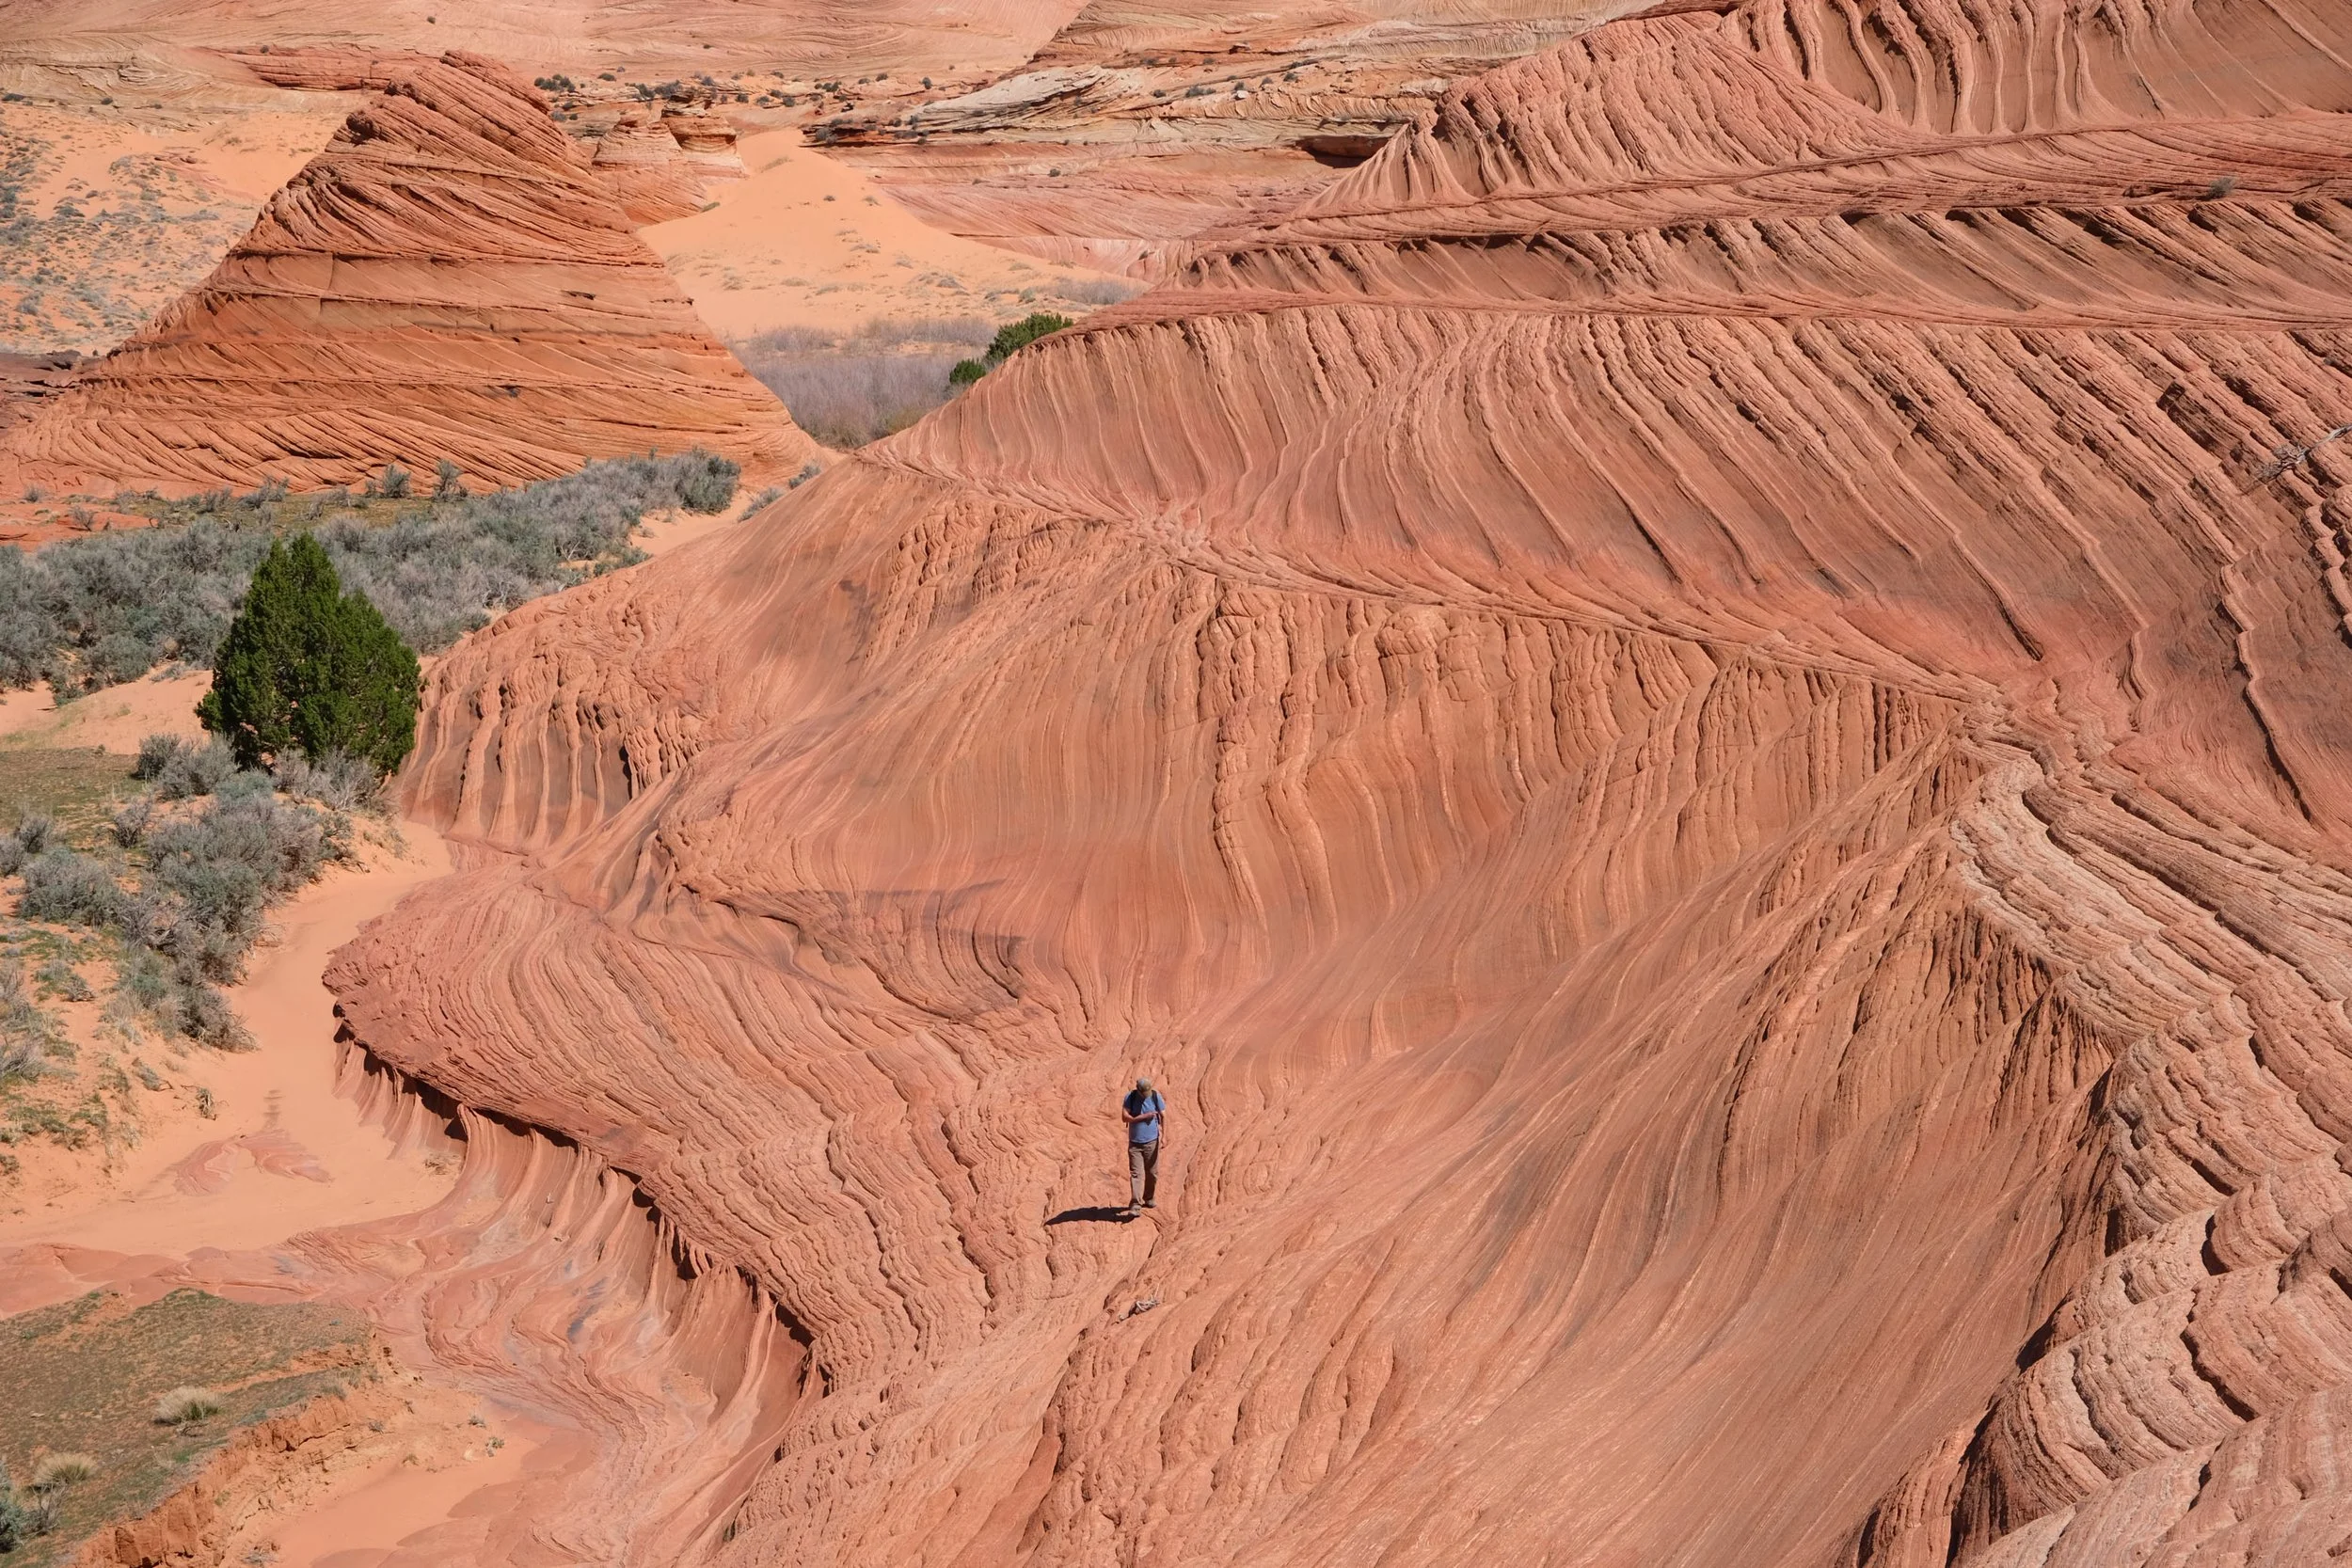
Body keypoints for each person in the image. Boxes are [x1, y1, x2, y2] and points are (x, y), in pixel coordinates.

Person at [1121, 1077, 1165, 1211]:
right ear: (1139, 1091)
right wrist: (1142, 1117)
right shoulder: (1130, 1097)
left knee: (1152, 1173)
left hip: (1152, 1142)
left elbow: (1163, 1115)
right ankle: (1135, 1204)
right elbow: (1124, 1117)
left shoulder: (1155, 1096)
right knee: (1136, 1174)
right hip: (1135, 1143)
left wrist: (1164, 1136)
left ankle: (1149, 1198)